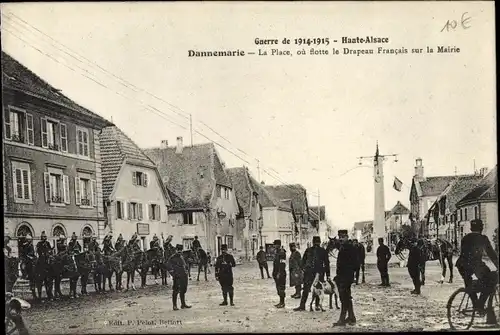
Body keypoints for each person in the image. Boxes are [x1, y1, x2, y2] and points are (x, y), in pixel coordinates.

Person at [456, 219, 498, 322]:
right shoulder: (483, 238)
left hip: (461, 264)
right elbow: (491, 254)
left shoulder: (465, 238)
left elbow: (464, 253)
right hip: (475, 264)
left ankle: (476, 305)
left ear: (471, 228)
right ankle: (479, 306)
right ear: (481, 228)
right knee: (491, 281)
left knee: (469, 285)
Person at [294, 236, 330, 311]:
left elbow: (326, 263)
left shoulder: (313, 250)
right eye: (316, 242)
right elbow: (326, 264)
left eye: (317, 242)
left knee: (313, 289)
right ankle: (307, 306)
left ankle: (307, 306)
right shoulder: (318, 250)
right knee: (310, 289)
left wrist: (303, 268)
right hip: (313, 272)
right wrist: (328, 275)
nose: (316, 244)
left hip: (316, 273)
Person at [333, 230, 358, 326]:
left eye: (343, 237)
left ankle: (342, 320)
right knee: (346, 297)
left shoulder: (350, 248)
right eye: (340, 237)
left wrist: (349, 274)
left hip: (346, 277)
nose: (341, 239)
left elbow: (355, 263)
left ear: (347, 237)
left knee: (344, 298)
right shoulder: (343, 247)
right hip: (342, 277)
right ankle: (352, 318)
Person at [166, 244, 191, 310]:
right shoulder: (172, 257)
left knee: (183, 290)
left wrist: (186, 269)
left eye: (180, 250)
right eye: (178, 250)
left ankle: (183, 304)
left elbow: (184, 265)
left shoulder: (182, 257)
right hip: (177, 276)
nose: (179, 251)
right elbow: (168, 267)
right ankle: (174, 305)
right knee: (176, 290)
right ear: (176, 250)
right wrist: (173, 274)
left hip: (184, 276)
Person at [272, 239, 287, 308]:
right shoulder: (277, 252)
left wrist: (279, 273)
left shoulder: (282, 253)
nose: (274, 246)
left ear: (278, 245)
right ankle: (281, 302)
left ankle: (282, 302)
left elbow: (282, 264)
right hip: (276, 273)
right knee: (278, 288)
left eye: (275, 244)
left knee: (281, 288)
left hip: (280, 273)